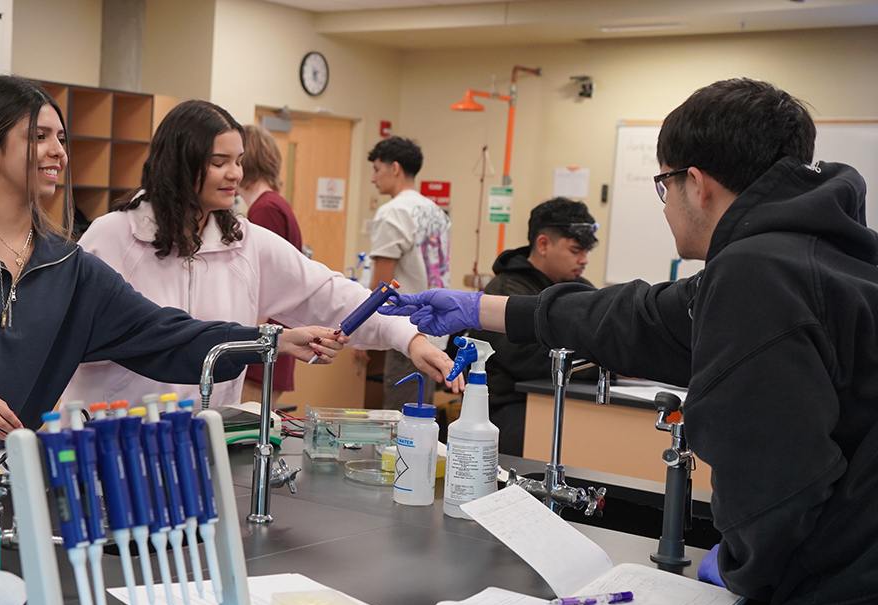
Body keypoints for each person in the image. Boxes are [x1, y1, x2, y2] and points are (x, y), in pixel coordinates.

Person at [378, 78, 878, 605]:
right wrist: (482, 306)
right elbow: (637, 317)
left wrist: (742, 566)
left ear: (697, 183)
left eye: (664, 185)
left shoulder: (759, 273)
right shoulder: (813, 252)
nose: (666, 202)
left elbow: (778, 468)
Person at [0, 76, 336, 461]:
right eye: (39, 137)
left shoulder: (67, 267)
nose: (58, 151)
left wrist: (265, 341)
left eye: (62, 137)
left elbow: (165, 334)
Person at [62, 100, 457, 409]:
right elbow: (86, 335)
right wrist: (273, 340)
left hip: (206, 441)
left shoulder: (244, 242)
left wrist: (410, 339)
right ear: (179, 165)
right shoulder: (113, 236)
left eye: (238, 161)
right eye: (219, 163)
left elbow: (331, 294)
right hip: (113, 437)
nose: (235, 174)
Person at [468, 197, 600, 456]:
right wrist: (604, 363)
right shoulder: (506, 293)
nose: (584, 260)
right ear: (543, 244)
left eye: (586, 252)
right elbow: (527, 358)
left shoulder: (580, 289)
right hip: (511, 407)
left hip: (560, 399)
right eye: (575, 251)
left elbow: (601, 331)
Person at [366, 136, 452, 409]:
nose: (372, 178)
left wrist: (361, 330)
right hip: (437, 328)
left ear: (395, 168)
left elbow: (382, 286)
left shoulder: (393, 212)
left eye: (377, 169)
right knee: (422, 413)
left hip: (406, 329)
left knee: (400, 420)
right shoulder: (437, 212)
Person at [237, 123, 301, 404]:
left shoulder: (266, 209)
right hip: (270, 342)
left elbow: (262, 285)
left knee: (246, 433)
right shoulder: (270, 205)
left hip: (265, 345)